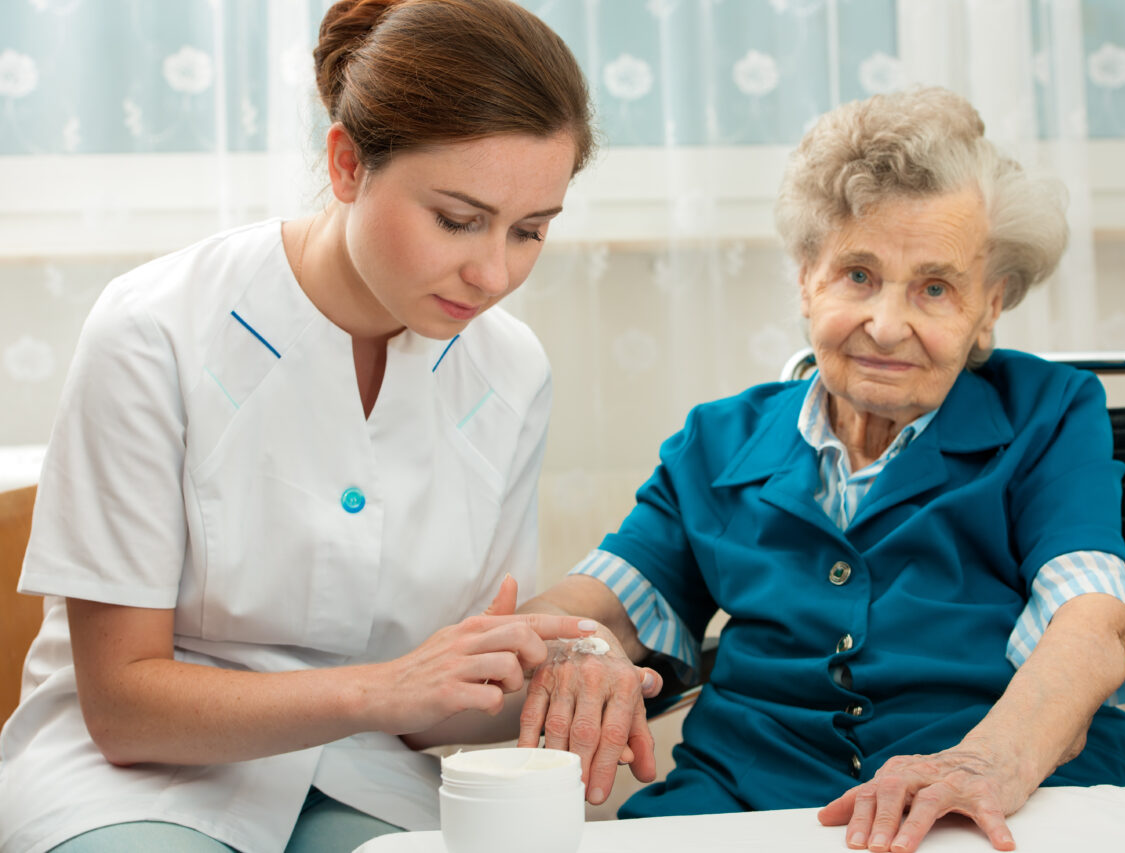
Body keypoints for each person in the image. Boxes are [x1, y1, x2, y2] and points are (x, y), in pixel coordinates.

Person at [0, 2, 648, 851]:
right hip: (135, 780)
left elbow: (436, 703)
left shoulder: (510, 371)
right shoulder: (153, 330)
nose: (493, 272)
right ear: (347, 163)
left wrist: (581, 670)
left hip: (366, 775)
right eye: (457, 219)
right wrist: (384, 690)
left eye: (530, 231)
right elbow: (124, 708)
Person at [515, 86, 1125, 853]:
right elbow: (601, 607)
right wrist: (576, 645)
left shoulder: (1049, 413)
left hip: (989, 797)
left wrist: (986, 761)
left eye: (934, 287)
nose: (887, 325)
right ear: (805, 277)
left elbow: (1089, 624)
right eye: (858, 274)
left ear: (989, 309)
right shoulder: (718, 442)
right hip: (747, 802)